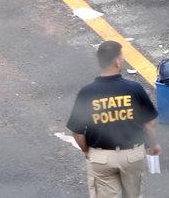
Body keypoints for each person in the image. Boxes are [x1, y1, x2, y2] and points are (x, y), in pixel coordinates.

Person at [67, 41, 160, 198]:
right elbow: (149, 124)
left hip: (102, 158)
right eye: (121, 58)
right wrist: (154, 144)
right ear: (117, 62)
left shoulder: (87, 93)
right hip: (132, 155)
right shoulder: (133, 89)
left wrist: (87, 150)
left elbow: (77, 132)